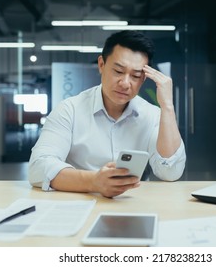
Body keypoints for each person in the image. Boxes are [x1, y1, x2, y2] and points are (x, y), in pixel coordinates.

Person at [28, 30, 186, 197]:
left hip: (132, 205)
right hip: (78, 202)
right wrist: (93, 181)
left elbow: (170, 173)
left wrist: (167, 106)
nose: (125, 83)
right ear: (101, 65)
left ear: (144, 79)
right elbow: (38, 167)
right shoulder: (70, 109)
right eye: (118, 71)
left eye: (135, 75)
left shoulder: (152, 115)